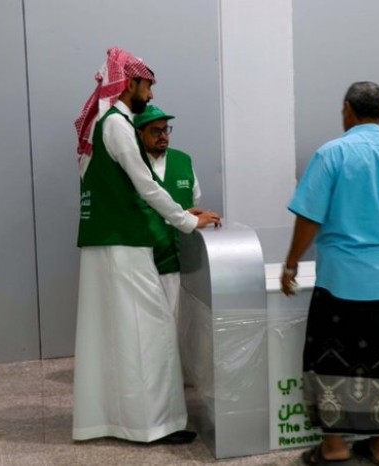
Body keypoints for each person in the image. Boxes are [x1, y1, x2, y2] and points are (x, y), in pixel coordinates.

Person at [280, 81, 379, 466]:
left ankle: (334, 446)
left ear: (348, 110)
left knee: (330, 360)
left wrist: (292, 261)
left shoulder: (331, 154)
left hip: (338, 281)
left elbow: (309, 216)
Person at [72, 47, 216, 445]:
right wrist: (188, 220)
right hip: (125, 243)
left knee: (116, 335)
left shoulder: (101, 123)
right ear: (129, 82)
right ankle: (155, 425)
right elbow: (147, 186)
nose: (150, 95)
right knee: (153, 333)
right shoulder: (118, 125)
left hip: (105, 242)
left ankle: (116, 420)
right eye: (147, 86)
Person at [134, 105, 221, 318]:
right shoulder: (133, 165)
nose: (163, 136)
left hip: (185, 262)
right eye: (156, 131)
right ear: (140, 133)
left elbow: (195, 199)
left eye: (166, 129)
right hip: (147, 263)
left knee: (185, 322)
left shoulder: (183, 160)